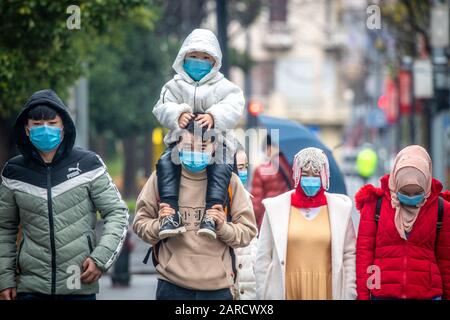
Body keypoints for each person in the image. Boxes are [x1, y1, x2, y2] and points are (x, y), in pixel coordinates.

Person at [0, 89, 129, 300]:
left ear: (63, 127)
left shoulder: (89, 165)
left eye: (52, 124)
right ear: (26, 128)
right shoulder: (14, 172)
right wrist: (4, 279)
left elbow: (117, 212)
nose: (45, 129)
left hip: (78, 283)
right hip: (30, 289)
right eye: (37, 124)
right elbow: (4, 228)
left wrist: (101, 258)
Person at [133, 119, 257, 300]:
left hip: (218, 289)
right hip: (172, 286)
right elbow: (140, 223)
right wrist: (160, 225)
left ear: (214, 146)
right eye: (189, 145)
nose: (195, 152)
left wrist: (223, 227)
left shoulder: (230, 182)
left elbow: (248, 231)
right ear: (178, 143)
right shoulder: (160, 178)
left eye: (203, 146)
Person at [152, 28, 245, 240]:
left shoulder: (224, 86)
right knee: (166, 163)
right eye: (193, 56)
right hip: (180, 143)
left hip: (216, 143)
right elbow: (161, 107)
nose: (198, 61)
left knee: (221, 167)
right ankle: (170, 213)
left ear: (215, 62)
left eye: (205, 57)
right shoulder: (173, 85)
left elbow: (234, 105)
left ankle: (213, 212)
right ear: (183, 57)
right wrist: (178, 113)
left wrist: (213, 116)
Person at [255, 147, 356, 300]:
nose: (311, 179)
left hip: (327, 290)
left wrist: (349, 292)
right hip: (286, 290)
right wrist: (264, 292)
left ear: (324, 175)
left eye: (316, 174)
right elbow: (263, 256)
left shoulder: (340, 209)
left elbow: (349, 255)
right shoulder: (275, 208)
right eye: (305, 174)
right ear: (296, 174)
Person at [355, 145, 450, 300]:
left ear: (426, 185)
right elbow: (364, 255)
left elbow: (446, 261)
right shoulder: (375, 205)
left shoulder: (442, 209)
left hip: (427, 294)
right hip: (382, 293)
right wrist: (364, 296)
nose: (411, 197)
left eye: (417, 192)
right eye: (404, 192)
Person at [251, 135, 294, 230]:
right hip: (289, 220)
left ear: (269, 148)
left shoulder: (261, 170)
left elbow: (257, 204)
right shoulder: (293, 168)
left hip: (269, 220)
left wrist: (253, 225)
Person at [232, 146, 257, 300]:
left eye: (246, 167)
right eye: (240, 167)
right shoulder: (220, 200)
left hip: (248, 282)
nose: (244, 172)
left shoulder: (247, 197)